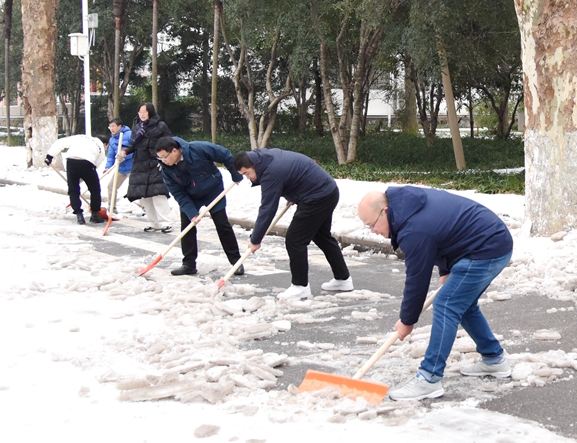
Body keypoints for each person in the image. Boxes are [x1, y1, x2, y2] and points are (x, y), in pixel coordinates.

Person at [357, 187, 514, 401]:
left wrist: (407, 320)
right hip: (483, 241)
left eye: (372, 225)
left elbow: (417, 279)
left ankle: (429, 378)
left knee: (446, 304)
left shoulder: (413, 229)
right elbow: (443, 231)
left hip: (486, 248)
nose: (372, 231)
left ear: (385, 211)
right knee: (462, 304)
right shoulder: (405, 206)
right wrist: (447, 270)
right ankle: (494, 359)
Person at [236, 148, 352, 300]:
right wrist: (295, 194)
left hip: (317, 197)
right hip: (327, 191)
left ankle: (300, 286)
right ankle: (343, 279)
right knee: (322, 236)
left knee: (295, 239)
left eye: (247, 173)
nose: (248, 178)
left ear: (253, 165)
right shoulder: (265, 159)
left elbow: (267, 208)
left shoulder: (270, 172)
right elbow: (292, 175)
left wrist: (255, 239)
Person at [154, 136, 245, 277]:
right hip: (189, 195)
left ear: (174, 151)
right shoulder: (166, 169)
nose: (163, 161)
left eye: (164, 157)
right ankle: (189, 264)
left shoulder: (198, 148)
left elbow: (225, 154)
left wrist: (235, 174)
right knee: (187, 226)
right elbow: (178, 193)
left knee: (222, 224)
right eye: (160, 158)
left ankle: (236, 262)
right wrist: (192, 213)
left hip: (212, 189)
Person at [125, 102, 175, 233]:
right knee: (144, 195)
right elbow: (133, 144)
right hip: (140, 163)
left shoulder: (160, 126)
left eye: (144, 112)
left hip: (156, 162)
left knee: (158, 193)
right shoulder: (136, 127)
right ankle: (154, 223)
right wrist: (124, 152)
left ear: (150, 112)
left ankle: (166, 222)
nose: (142, 114)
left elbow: (169, 142)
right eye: (140, 112)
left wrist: (164, 159)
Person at [45, 134, 109, 225]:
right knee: (95, 189)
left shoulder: (81, 137)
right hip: (87, 163)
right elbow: (97, 163)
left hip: (71, 161)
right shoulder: (101, 147)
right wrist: (88, 176)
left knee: (73, 189)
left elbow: (60, 142)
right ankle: (95, 214)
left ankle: (79, 215)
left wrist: (49, 156)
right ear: (105, 144)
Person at [104, 118, 133, 212]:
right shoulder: (112, 139)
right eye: (110, 126)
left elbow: (136, 149)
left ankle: (145, 208)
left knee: (137, 187)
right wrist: (107, 167)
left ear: (119, 126)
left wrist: (126, 156)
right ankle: (112, 206)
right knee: (111, 186)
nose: (111, 128)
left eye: (113, 126)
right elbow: (111, 155)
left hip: (132, 166)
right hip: (120, 168)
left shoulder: (130, 135)